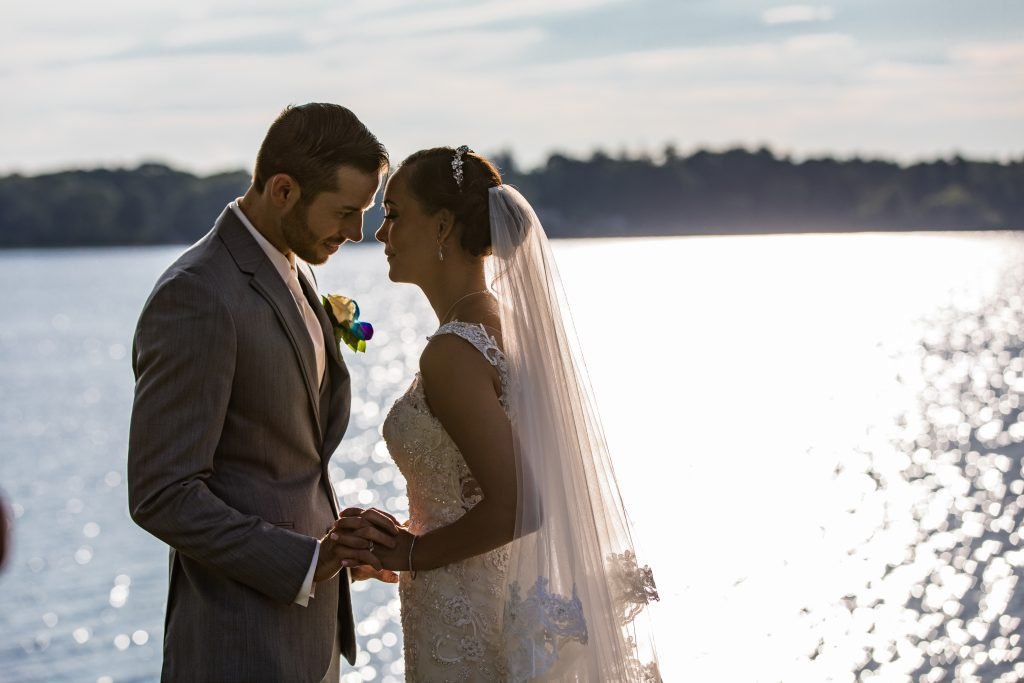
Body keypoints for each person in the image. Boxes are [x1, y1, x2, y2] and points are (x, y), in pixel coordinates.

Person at [127, 103, 399, 683]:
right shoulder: (197, 294)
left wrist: (342, 546)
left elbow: (285, 460)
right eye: (345, 212)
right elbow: (162, 493)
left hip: (310, 636)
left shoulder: (297, 270)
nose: (357, 233)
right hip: (238, 644)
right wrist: (307, 560)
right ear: (283, 190)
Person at [372, 147, 661, 681]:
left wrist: (412, 553)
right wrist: (402, 539)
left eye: (393, 215)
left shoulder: (453, 352)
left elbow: (517, 508)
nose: (381, 233)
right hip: (496, 600)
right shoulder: (505, 326)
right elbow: (475, 489)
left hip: (466, 624)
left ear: (442, 225)